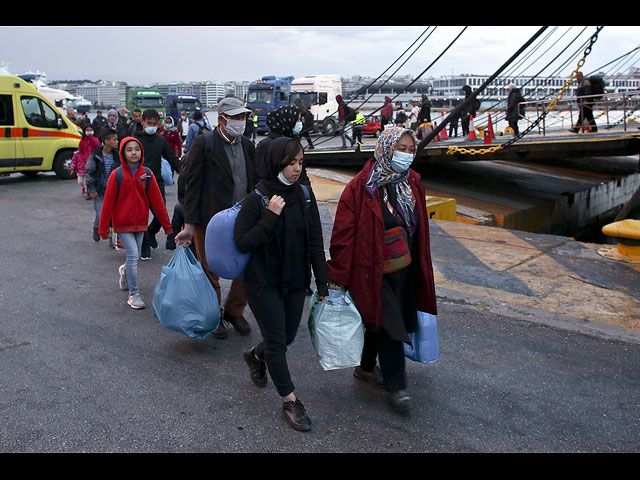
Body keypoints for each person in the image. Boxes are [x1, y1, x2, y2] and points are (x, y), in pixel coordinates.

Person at [327, 126, 437, 413]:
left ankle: (365, 367)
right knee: (391, 328)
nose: (406, 155)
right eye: (401, 148)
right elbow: (342, 235)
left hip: (405, 268)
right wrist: (337, 276)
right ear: (386, 148)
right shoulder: (361, 187)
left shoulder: (411, 182)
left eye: (411, 150)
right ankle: (396, 386)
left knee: (379, 321)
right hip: (372, 270)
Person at [235, 137, 329, 432]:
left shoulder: (304, 195)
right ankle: (290, 401)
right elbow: (243, 242)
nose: (296, 169)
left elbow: (315, 240)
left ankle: (255, 355)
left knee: (286, 337)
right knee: (278, 341)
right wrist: (270, 216)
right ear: (276, 162)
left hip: (295, 281)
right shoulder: (257, 199)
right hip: (263, 284)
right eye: (291, 163)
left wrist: (322, 283)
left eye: (300, 162)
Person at [175, 97, 256, 340]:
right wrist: (189, 224)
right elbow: (193, 186)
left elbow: (253, 182)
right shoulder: (204, 143)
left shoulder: (247, 146)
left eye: (244, 117)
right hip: (209, 221)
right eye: (236, 117)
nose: (241, 122)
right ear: (222, 120)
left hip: (242, 218)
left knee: (245, 268)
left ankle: (234, 311)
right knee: (209, 270)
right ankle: (214, 316)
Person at [98, 136, 172, 310]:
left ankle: (124, 271)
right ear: (123, 153)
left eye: (136, 149)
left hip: (140, 223)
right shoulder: (116, 175)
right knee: (132, 255)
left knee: (134, 257)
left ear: (141, 152)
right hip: (122, 224)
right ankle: (134, 294)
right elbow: (107, 203)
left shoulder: (147, 174)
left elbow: (158, 202)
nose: (133, 153)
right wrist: (103, 229)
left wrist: (168, 228)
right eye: (129, 149)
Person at [133, 109, 181, 261]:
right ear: (143, 122)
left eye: (155, 124)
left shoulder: (161, 141)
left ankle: (151, 231)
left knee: (161, 216)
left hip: (156, 183)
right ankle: (144, 244)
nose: (152, 126)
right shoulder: (134, 140)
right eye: (149, 123)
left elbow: (173, 158)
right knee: (141, 217)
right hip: (137, 184)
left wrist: (185, 171)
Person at [254, 104, 311, 186]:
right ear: (288, 120)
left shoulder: (294, 142)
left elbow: (303, 176)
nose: (300, 123)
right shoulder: (267, 145)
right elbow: (259, 175)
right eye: (297, 120)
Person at [85, 129, 120, 241]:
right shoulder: (95, 155)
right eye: (114, 139)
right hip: (99, 190)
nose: (117, 141)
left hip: (113, 190)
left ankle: (111, 236)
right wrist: (92, 189)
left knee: (113, 214)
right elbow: (89, 173)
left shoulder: (117, 155)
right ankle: (96, 227)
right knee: (101, 213)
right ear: (106, 141)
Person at [71, 123, 100, 198]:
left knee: (91, 177)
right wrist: (84, 159)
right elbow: (81, 151)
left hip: (94, 160)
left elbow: (97, 144)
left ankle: (89, 191)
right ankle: (85, 188)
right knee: (82, 180)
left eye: (91, 130)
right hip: (85, 161)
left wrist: (91, 136)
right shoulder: (83, 141)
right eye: (87, 130)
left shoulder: (95, 139)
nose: (89, 132)